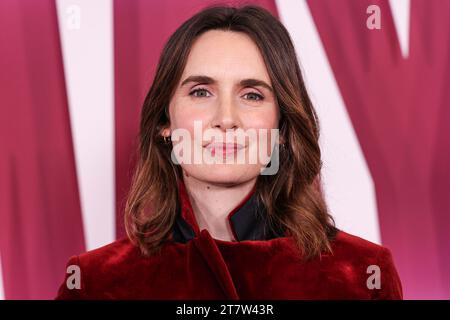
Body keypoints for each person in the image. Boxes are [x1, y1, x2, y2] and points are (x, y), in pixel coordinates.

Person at [56, 5, 402, 299]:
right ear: (165, 121)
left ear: (281, 129)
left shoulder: (361, 276)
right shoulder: (94, 283)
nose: (225, 119)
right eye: (201, 92)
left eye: (252, 95)